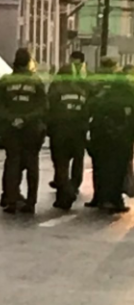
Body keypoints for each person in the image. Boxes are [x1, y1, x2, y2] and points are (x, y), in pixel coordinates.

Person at [0, 48, 48, 214]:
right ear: (28, 62)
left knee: (12, 163)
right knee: (32, 164)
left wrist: (12, 119)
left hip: (11, 129)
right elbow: (43, 107)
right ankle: (31, 203)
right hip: (31, 129)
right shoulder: (36, 82)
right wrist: (26, 119)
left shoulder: (4, 81)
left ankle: (11, 201)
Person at [87, 58, 134, 213]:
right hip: (122, 132)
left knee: (101, 166)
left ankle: (101, 197)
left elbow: (89, 106)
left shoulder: (96, 84)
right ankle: (114, 199)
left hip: (100, 131)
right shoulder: (124, 86)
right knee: (119, 167)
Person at [48, 64, 89, 210]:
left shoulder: (56, 90)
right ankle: (72, 187)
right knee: (77, 161)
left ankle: (65, 192)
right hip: (78, 132)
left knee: (61, 164)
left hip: (60, 131)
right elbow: (86, 112)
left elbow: (50, 109)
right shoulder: (81, 91)